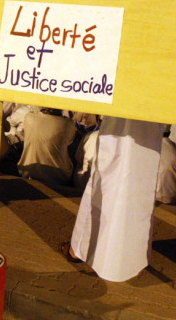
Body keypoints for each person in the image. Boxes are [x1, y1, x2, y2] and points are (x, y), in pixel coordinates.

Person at [67, 117, 165, 282]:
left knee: (106, 180)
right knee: (134, 186)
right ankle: (126, 257)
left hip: (123, 116)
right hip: (148, 121)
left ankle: (81, 250)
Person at [17, 108, 76, 185]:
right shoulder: (68, 123)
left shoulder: (29, 117)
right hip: (59, 176)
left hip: (28, 171)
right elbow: (69, 141)